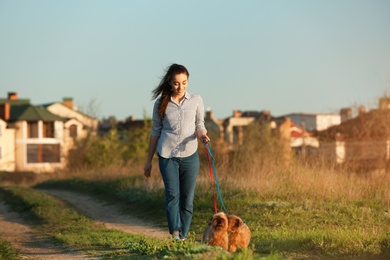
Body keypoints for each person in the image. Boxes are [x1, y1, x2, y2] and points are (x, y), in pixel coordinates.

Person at [144, 63, 210, 241]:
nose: (180, 87)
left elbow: (199, 125)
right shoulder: (161, 103)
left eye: (184, 82)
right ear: (169, 82)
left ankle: (184, 235)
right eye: (176, 83)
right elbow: (155, 131)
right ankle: (175, 233)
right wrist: (149, 160)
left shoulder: (196, 100)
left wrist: (203, 136)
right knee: (173, 195)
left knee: (187, 198)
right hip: (167, 156)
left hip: (190, 155)